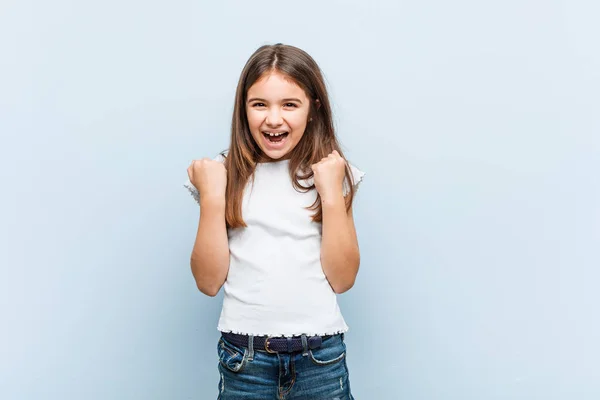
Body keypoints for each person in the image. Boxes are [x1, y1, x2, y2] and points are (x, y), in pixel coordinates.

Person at [184, 43, 364, 400]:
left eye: (289, 105)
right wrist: (213, 197)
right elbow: (207, 282)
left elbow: (343, 279)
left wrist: (330, 194)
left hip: (321, 359)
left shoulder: (331, 173)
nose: (274, 119)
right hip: (245, 360)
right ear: (243, 109)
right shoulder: (219, 174)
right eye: (260, 104)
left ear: (313, 110)